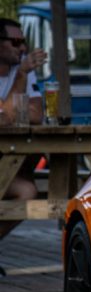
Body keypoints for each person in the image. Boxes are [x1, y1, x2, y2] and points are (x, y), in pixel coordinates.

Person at [0, 17, 47, 258]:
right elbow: (8, 117)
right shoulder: (23, 73)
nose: (23, 48)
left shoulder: (24, 72)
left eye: (24, 41)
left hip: (7, 162)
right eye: (16, 41)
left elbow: (37, 114)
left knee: (28, 192)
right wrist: (21, 77)